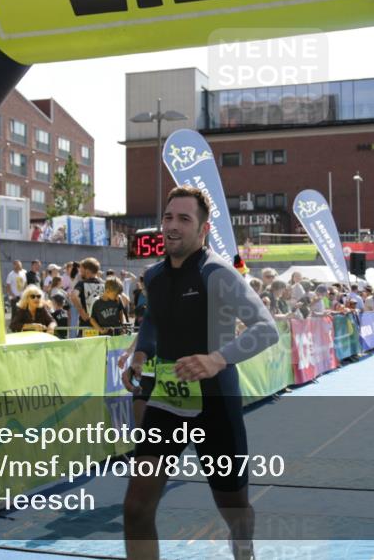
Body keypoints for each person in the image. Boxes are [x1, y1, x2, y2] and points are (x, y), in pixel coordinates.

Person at [121, 186, 278, 560]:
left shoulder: (218, 273)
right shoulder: (154, 275)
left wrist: (217, 359)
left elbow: (266, 329)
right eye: (168, 218)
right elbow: (154, 320)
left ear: (203, 229)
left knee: (233, 509)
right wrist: (141, 353)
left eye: (184, 219)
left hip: (215, 404)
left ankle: (244, 547)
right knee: (136, 509)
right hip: (168, 400)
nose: (172, 226)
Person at [71, 257, 104, 336]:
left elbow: (74, 296)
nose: (80, 272)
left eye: (81, 269)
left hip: (86, 324)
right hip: (101, 325)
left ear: (87, 271)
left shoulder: (81, 284)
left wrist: (81, 312)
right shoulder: (104, 284)